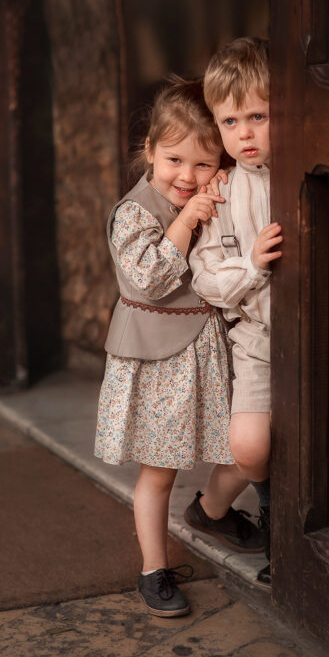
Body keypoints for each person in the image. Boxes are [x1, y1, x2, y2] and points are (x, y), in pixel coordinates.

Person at [95, 76, 264, 618]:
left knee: (246, 447)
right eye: (173, 160)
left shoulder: (225, 189)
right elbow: (147, 279)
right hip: (157, 359)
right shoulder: (136, 212)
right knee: (159, 471)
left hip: (210, 349)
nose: (187, 178)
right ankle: (153, 568)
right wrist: (189, 219)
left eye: (203, 164)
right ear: (149, 151)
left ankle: (211, 510)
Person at [188, 37, 281, 585]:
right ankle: (223, 507)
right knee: (250, 447)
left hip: (319, 337)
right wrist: (251, 266)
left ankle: (283, 542)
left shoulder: (302, 174)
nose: (243, 134)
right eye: (229, 122)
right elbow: (206, 277)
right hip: (258, 341)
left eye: (258, 116)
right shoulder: (223, 192)